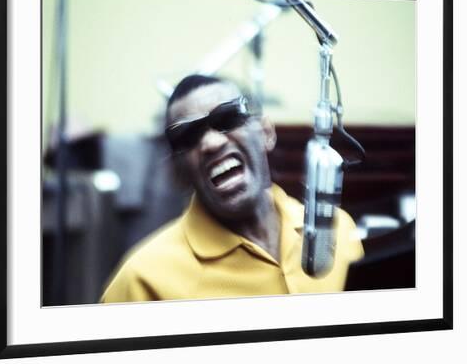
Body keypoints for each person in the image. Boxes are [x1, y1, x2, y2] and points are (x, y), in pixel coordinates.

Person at [100, 74, 363, 303]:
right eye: (189, 136)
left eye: (227, 118)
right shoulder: (142, 279)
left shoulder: (340, 231)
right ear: (178, 173)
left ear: (266, 133)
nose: (212, 143)